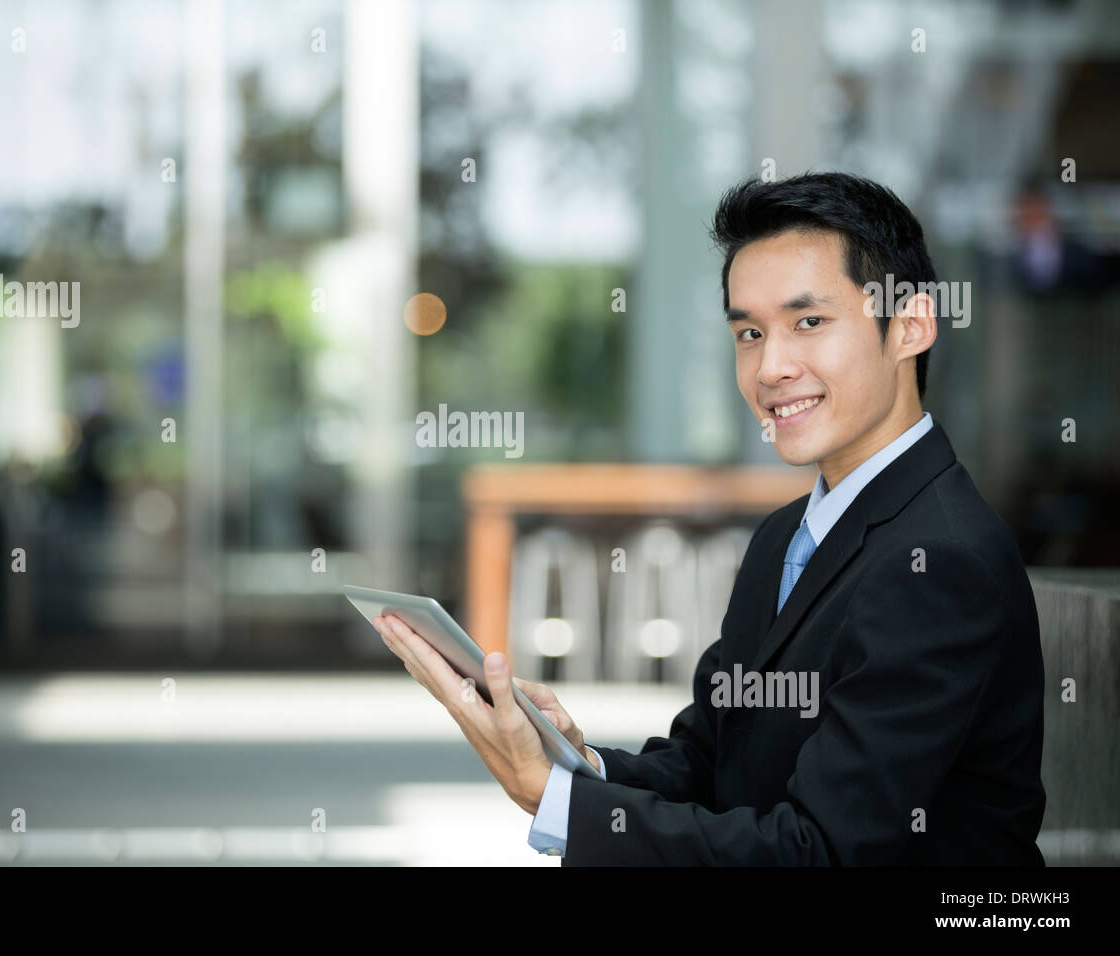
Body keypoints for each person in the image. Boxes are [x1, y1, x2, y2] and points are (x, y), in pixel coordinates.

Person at [374, 172, 1046, 865]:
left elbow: (825, 852)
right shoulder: (786, 537)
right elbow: (713, 761)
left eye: (808, 322)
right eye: (749, 332)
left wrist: (558, 800)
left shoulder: (939, 559)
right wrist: (578, 766)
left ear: (911, 326)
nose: (771, 367)